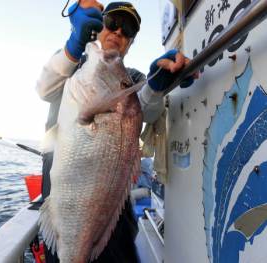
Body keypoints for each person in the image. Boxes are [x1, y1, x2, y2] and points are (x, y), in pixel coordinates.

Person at [35, 1, 198, 262]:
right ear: (99, 28)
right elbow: (45, 89)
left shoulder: (132, 79)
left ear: (131, 43)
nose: (119, 33)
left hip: (111, 205)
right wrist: (74, 44)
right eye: (112, 23)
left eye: (128, 30)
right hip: (65, 198)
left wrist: (156, 87)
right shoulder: (73, 64)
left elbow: (143, 110)